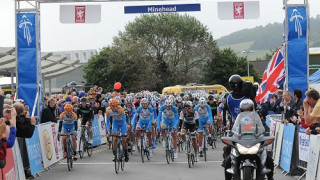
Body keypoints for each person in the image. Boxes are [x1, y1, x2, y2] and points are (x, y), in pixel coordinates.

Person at [225, 99, 274, 180]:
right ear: (241, 109)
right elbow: (234, 128)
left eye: (248, 109)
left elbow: (264, 126)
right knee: (228, 160)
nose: (246, 111)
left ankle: (270, 177)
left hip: (254, 140)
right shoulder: (238, 118)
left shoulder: (257, 117)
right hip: (241, 141)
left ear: (252, 109)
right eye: (244, 109)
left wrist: (266, 131)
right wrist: (231, 134)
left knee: (268, 159)